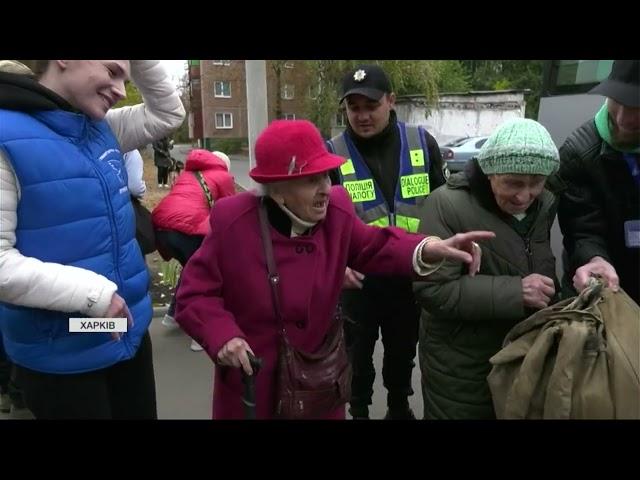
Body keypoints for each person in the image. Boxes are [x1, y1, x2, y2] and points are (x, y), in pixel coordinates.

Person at [174, 119, 493, 419]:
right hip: (254, 385)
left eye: (326, 176)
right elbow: (194, 294)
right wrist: (224, 336)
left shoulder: (337, 209)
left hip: (319, 383)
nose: (326, 188)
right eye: (312, 180)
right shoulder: (234, 222)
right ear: (278, 188)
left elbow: (375, 245)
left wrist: (430, 247)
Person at [0, 60, 185, 419]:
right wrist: (93, 296)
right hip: (63, 349)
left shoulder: (101, 128)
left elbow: (167, 113)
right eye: (113, 70)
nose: (119, 89)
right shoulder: (6, 135)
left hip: (125, 330)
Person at [414, 118, 561, 419]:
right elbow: (432, 290)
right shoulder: (445, 205)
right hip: (461, 371)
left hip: (524, 359)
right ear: (489, 171)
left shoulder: (544, 204)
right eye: (513, 183)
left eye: (536, 183)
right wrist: (515, 292)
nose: (524, 196)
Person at [326, 64, 448, 419]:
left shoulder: (422, 143)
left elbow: (443, 203)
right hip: (357, 280)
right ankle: (359, 410)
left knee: (402, 350)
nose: (362, 116)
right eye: (354, 108)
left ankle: (399, 406)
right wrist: (337, 264)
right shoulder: (331, 153)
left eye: (371, 106)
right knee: (356, 353)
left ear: (391, 101)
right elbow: (320, 222)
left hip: (411, 272)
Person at [555, 60, 640, 304]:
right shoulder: (578, 152)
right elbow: (582, 231)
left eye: (637, 106)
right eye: (618, 101)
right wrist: (595, 259)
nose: (623, 119)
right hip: (605, 293)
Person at [152, 149, 235, 351]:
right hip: (186, 229)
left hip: (161, 227)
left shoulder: (189, 173)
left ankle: (173, 314)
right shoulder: (223, 176)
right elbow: (230, 210)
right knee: (204, 274)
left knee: (191, 269)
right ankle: (201, 334)